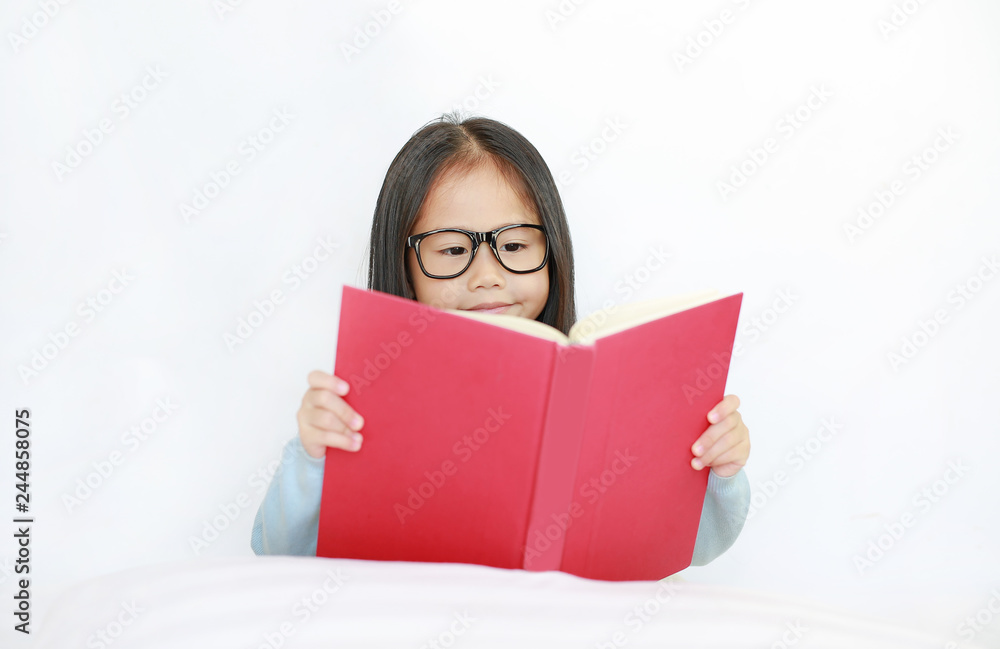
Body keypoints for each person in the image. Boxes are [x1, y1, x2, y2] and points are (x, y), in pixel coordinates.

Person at [251, 114, 751, 567]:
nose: (487, 275)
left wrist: (720, 471)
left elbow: (694, 549)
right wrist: (314, 457)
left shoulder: (608, 396)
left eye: (514, 245)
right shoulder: (362, 403)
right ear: (403, 265)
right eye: (451, 249)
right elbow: (276, 553)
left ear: (552, 251)